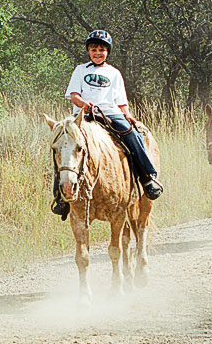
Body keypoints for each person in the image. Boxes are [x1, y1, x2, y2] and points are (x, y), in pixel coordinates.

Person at [52, 29, 163, 215]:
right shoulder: (80, 70)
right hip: (83, 116)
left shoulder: (114, 73)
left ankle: (148, 178)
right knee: (62, 144)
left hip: (110, 113)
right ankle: (59, 196)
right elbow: (73, 95)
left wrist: (127, 115)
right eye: (94, 49)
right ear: (89, 51)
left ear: (107, 52)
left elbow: (121, 101)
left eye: (101, 50)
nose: (97, 53)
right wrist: (83, 104)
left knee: (132, 135)